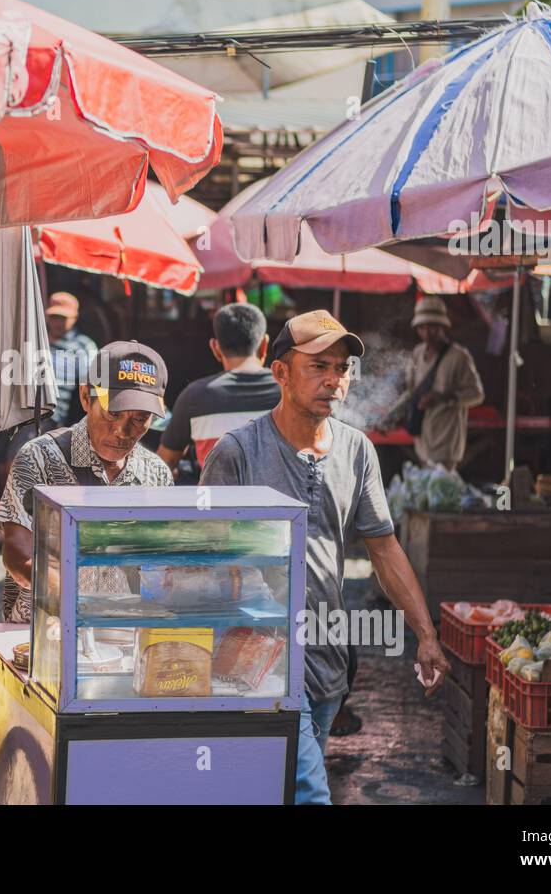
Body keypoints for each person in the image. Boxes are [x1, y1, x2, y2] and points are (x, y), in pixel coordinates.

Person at [199, 309, 448, 804]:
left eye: (343, 368)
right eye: (319, 366)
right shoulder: (237, 452)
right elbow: (205, 556)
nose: (335, 380)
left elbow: (384, 546)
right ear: (281, 373)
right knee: (310, 790)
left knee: (282, 783)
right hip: (255, 659)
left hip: (329, 658)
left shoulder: (357, 452)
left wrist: (425, 634)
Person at [0, 341, 173, 622]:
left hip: (122, 632)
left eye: (140, 418)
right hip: (43, 631)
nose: (123, 431)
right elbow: (17, 550)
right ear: (86, 398)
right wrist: (74, 604)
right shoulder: (39, 456)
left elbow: (162, 562)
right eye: (113, 413)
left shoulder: (156, 474)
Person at [157, 303, 281, 472]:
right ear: (264, 344)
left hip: (214, 498)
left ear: (215, 348)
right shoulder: (288, 389)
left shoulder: (195, 396)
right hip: (281, 498)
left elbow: (164, 464)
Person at [384, 295, 484, 471]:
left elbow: (477, 394)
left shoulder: (459, 357)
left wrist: (445, 397)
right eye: (422, 327)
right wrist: (390, 416)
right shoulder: (417, 353)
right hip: (423, 439)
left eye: (432, 326)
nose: (427, 332)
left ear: (443, 326)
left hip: (447, 441)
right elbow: (410, 392)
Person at [45, 292, 99, 428]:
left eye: (62, 318)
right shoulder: (37, 340)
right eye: (54, 317)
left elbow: (94, 386)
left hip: (49, 415)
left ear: (75, 318)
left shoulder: (84, 346)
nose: (57, 322)